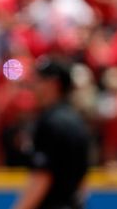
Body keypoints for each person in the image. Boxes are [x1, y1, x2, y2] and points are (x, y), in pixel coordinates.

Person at [12, 57, 91, 209]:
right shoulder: (77, 121)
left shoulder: (50, 122)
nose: (33, 85)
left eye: (38, 79)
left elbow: (42, 177)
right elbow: (82, 184)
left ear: (53, 84)